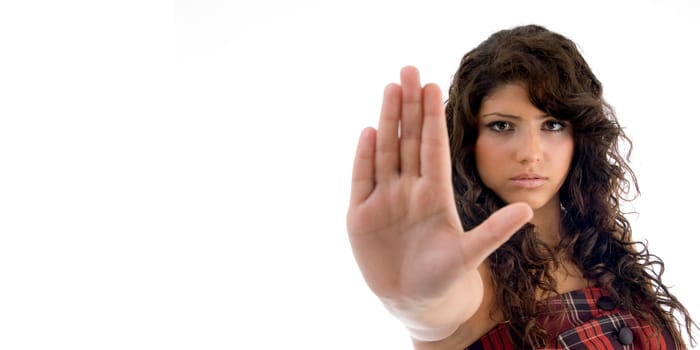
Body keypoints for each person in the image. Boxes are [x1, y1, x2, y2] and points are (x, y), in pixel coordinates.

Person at [346, 24, 696, 349]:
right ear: (469, 141)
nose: (530, 153)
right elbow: (435, 310)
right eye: (501, 126)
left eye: (553, 125)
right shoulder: (471, 276)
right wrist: (412, 298)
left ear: (581, 137)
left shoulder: (607, 247)